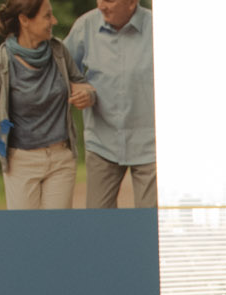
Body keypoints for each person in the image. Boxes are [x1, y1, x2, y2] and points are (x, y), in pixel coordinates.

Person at [0, 0, 89, 211]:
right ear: (24, 20)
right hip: (21, 162)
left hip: (60, 158)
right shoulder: (0, 62)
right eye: (47, 16)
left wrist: (87, 94)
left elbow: (82, 85)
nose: (54, 20)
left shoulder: (59, 52)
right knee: (26, 236)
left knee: (56, 233)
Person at [64, 0, 157, 209]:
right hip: (102, 142)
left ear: (132, 3)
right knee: (99, 224)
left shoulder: (156, 27)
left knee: (150, 223)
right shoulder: (85, 26)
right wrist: (82, 89)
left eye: (110, 0)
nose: (102, 6)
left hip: (150, 146)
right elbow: (63, 70)